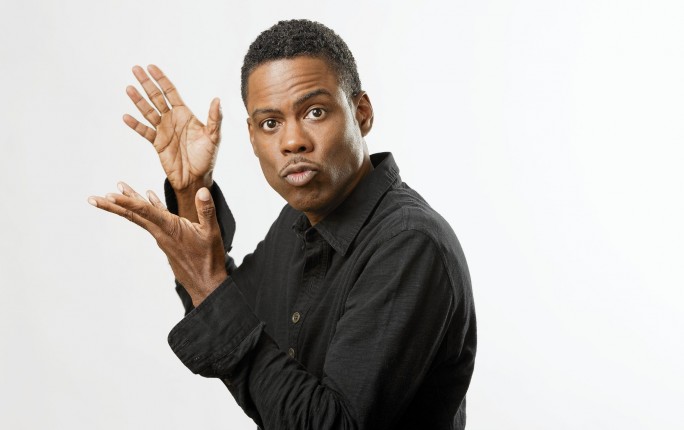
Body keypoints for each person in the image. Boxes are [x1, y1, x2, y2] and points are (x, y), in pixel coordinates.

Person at [89, 19, 476, 430]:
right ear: (252, 137)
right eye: (270, 123)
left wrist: (209, 287)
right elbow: (227, 311)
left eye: (315, 112)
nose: (292, 142)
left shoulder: (409, 244)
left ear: (361, 113)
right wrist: (191, 190)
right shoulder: (300, 217)